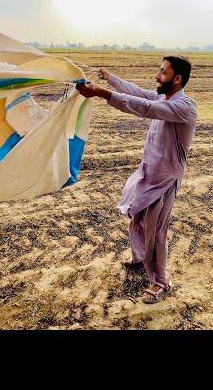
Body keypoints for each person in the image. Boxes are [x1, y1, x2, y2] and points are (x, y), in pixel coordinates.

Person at [75, 55, 197, 304]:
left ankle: (161, 281)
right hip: (147, 174)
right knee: (137, 220)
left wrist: (102, 92)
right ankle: (140, 258)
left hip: (164, 181)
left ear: (177, 79)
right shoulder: (165, 97)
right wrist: (111, 78)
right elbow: (139, 93)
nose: (157, 76)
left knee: (156, 231)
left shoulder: (184, 107)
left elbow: (144, 108)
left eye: (163, 72)